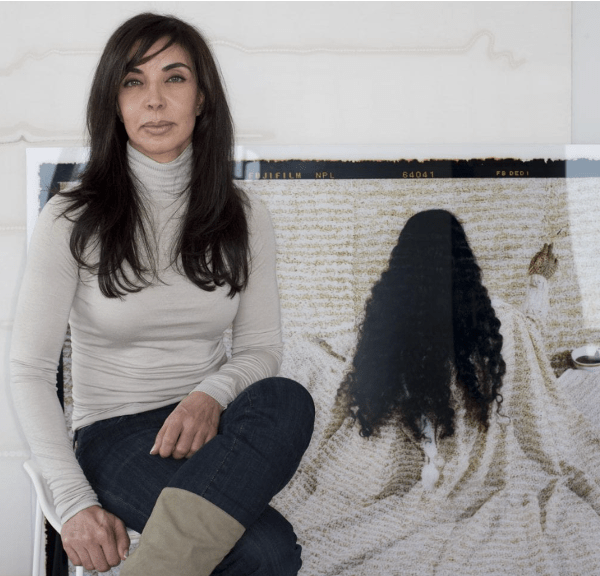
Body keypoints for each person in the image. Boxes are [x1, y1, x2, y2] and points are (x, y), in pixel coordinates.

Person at [10, 13, 314, 576]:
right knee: (267, 552)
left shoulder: (245, 216)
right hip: (114, 434)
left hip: (211, 428)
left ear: (202, 98)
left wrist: (209, 396)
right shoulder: (71, 218)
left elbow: (261, 348)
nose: (154, 100)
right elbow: (29, 370)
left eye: (174, 78)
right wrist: (74, 503)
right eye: (134, 81)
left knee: (286, 399)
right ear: (115, 102)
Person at [273, 210, 600, 575]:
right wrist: (539, 280)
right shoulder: (501, 322)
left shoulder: (387, 323)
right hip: (469, 470)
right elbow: (529, 335)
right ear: (464, 260)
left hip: (416, 463)